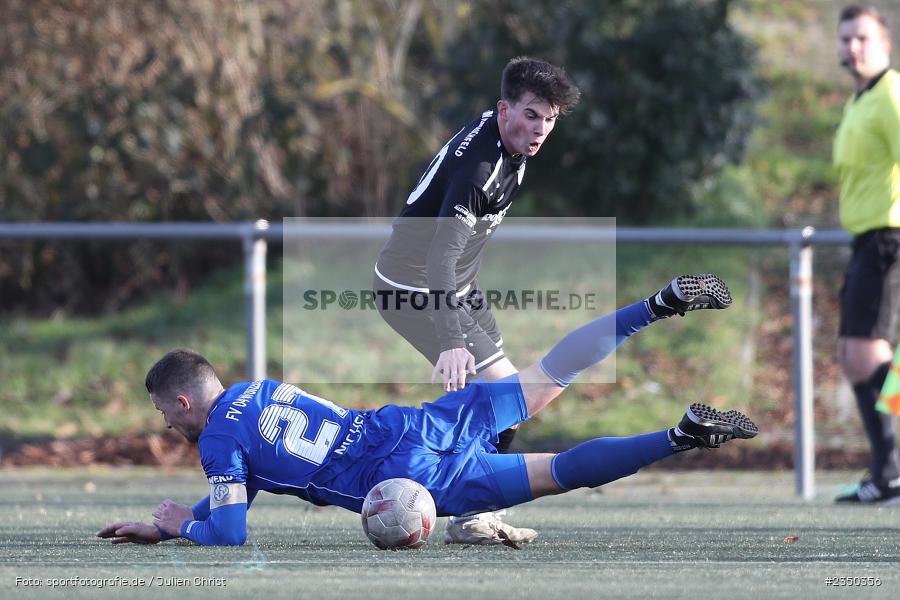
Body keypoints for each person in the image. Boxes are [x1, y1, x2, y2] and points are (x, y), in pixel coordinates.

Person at [97, 274, 755, 547]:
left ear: (185, 402)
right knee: (548, 376)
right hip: (412, 424)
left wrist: (186, 526)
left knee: (558, 471)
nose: (168, 427)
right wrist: (187, 517)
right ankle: (657, 305)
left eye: (166, 416)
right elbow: (241, 485)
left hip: (409, 481)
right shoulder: (255, 391)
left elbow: (232, 532)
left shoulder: (216, 440)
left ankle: (678, 435)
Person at [373, 56, 581, 543]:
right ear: (503, 108)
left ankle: (455, 496)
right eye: (531, 115)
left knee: (501, 400)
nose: (540, 129)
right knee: (506, 394)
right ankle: (461, 509)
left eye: (549, 119)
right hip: (412, 287)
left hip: (456, 287)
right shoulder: (481, 168)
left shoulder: (511, 148)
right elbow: (439, 262)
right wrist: (451, 340)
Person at [832, 5, 900, 505]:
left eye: (862, 38)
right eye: (845, 39)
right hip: (865, 241)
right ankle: (889, 471)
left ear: (885, 44)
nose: (852, 47)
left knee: (867, 355)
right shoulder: (859, 101)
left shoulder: (892, 95)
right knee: (861, 361)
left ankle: (893, 470)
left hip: (888, 239)